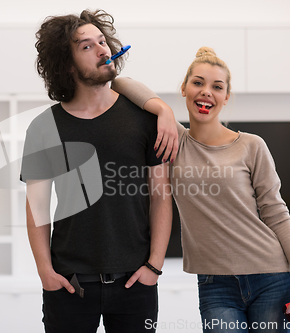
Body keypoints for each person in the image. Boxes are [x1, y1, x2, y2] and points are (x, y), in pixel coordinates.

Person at [111, 47, 290, 332]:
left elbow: (277, 213)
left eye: (217, 87)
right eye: (198, 83)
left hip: (271, 277)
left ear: (226, 97)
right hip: (215, 284)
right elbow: (119, 82)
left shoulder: (251, 146)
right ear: (183, 89)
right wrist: (163, 109)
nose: (206, 91)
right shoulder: (174, 143)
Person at [20, 9, 175, 333]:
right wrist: (45, 272)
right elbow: (36, 207)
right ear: (66, 62)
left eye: (102, 41)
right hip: (69, 284)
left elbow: (161, 195)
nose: (103, 50)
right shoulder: (44, 126)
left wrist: (154, 266)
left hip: (136, 283)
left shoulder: (144, 119)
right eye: (87, 46)